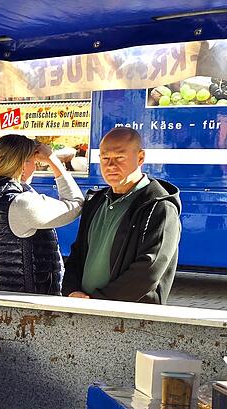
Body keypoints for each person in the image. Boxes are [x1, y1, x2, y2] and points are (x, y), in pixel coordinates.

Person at [62, 128, 181, 304]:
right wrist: (72, 290)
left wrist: (98, 301)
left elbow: (149, 269)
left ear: (140, 158)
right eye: (105, 158)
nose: (111, 165)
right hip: (86, 307)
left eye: (119, 158)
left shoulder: (159, 206)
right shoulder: (96, 201)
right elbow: (78, 253)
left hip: (129, 314)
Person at [0, 134, 84, 295]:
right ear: (23, 165)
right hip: (26, 302)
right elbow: (75, 204)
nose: (36, 167)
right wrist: (53, 161)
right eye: (34, 162)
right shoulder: (21, 203)